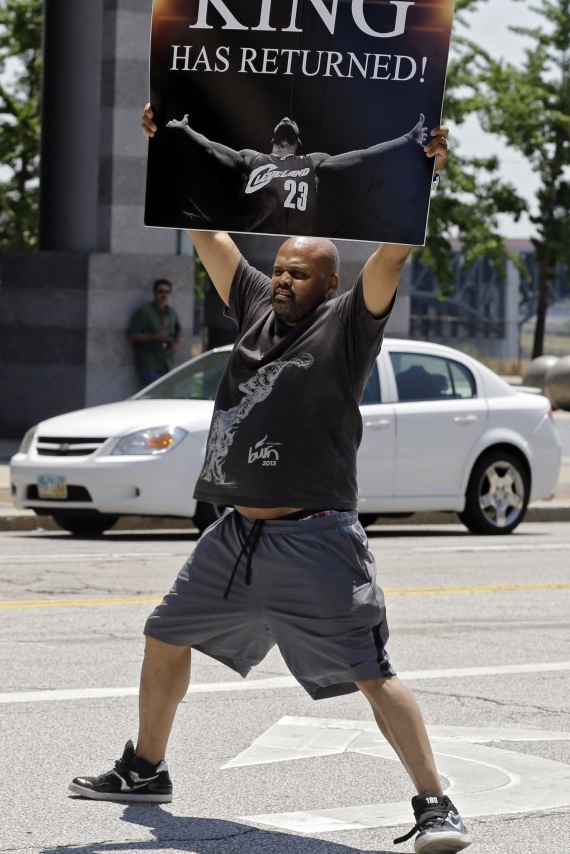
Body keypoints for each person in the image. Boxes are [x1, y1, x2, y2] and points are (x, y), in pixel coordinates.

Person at [70, 105, 472, 854]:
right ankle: (145, 767)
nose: (282, 278)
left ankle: (436, 802)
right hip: (236, 534)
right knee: (164, 634)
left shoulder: (350, 322)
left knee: (372, 674)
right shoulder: (253, 304)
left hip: (317, 537)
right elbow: (208, 234)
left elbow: (391, 254)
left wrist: (425, 174)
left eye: (299, 271)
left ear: (329, 281)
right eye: (280, 267)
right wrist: (171, 150)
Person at [164, 111, 428, 235]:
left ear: (298, 141)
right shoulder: (252, 157)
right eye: (283, 120)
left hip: (298, 242)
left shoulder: (313, 162)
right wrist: (186, 130)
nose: (287, 118)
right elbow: (211, 149)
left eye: (292, 122)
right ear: (272, 138)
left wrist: (406, 139)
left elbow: (363, 156)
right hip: (255, 236)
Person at [127, 279, 182, 387]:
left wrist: (176, 344)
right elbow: (132, 335)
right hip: (149, 362)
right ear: (154, 293)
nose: (164, 295)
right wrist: (155, 337)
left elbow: (178, 330)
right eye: (161, 292)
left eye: (167, 292)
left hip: (167, 362)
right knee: (153, 396)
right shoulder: (145, 312)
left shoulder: (171, 312)